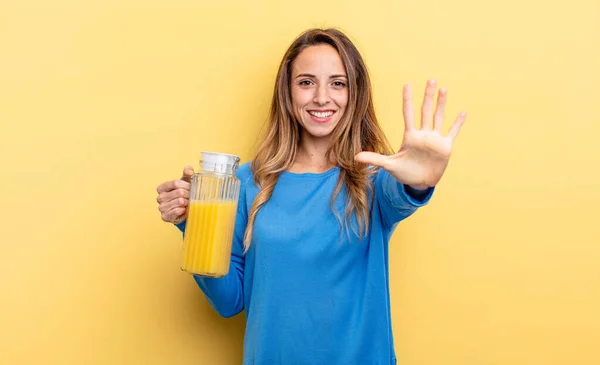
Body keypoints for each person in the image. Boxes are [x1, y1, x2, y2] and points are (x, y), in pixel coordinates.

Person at [156, 28, 466, 365]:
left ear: (354, 93)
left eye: (338, 83)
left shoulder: (375, 180)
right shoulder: (248, 182)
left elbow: (405, 195)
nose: (321, 97)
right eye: (306, 82)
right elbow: (229, 302)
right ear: (287, 93)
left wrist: (419, 183)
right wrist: (194, 225)